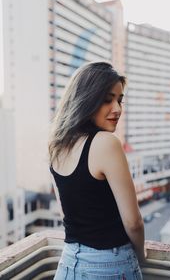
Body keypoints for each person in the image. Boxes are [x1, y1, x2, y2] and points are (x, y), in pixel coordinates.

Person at [48, 61, 145, 280]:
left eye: (120, 100)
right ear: (87, 99)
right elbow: (134, 222)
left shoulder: (56, 145)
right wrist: (140, 255)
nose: (117, 109)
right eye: (107, 100)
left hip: (68, 265)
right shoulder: (106, 143)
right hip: (110, 265)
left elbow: (67, 214)